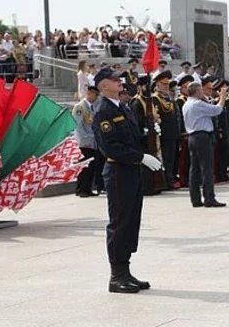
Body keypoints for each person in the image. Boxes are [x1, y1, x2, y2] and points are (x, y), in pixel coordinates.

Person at [92, 67, 163, 294]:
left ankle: (126, 270)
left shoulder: (122, 107)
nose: (120, 82)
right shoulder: (103, 112)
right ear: (104, 85)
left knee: (132, 221)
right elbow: (111, 147)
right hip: (117, 172)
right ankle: (116, 275)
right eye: (114, 79)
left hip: (131, 171)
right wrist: (141, 157)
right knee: (120, 222)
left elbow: (131, 138)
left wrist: (149, 133)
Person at [182, 82, 228, 208]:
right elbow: (217, 110)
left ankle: (195, 198)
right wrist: (223, 97)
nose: (203, 92)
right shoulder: (197, 104)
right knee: (207, 168)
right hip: (202, 136)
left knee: (194, 169)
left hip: (192, 136)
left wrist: (214, 101)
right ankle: (209, 197)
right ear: (197, 91)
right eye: (201, 90)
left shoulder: (187, 103)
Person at [151, 70, 180, 190]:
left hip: (172, 134)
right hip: (163, 135)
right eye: (164, 84)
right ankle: (165, 181)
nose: (166, 86)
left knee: (171, 159)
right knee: (165, 159)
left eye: (167, 84)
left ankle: (170, 179)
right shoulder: (155, 99)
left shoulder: (169, 99)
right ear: (157, 85)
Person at [73, 85, 100, 197]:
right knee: (85, 167)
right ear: (89, 93)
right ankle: (81, 189)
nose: (96, 97)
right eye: (95, 95)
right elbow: (78, 126)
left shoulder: (92, 107)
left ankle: (87, 188)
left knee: (92, 167)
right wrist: (85, 139)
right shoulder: (80, 107)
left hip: (93, 142)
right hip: (85, 143)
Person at [176, 75, 195, 187]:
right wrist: (183, 132)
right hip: (185, 133)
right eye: (187, 88)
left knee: (191, 158)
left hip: (191, 132)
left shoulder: (190, 100)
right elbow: (180, 118)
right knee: (185, 159)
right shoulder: (180, 101)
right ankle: (184, 179)